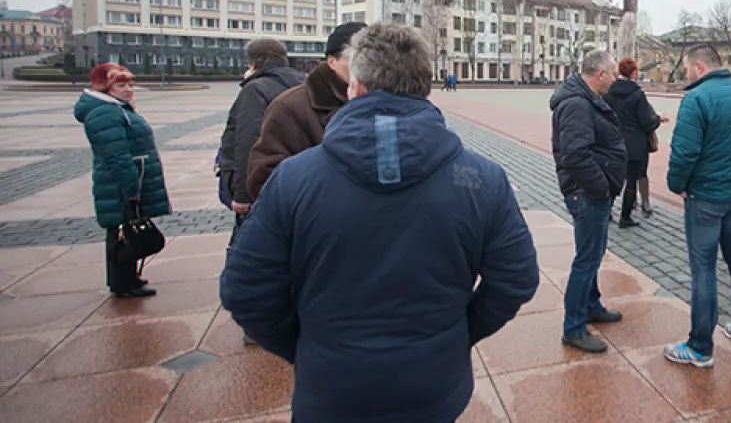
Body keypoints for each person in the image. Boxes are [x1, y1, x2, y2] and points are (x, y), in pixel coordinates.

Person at [221, 23, 539, 423]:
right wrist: (456, 334)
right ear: (425, 86)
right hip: (434, 388)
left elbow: (245, 290)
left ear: (355, 85)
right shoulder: (483, 179)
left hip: (331, 391)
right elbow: (517, 279)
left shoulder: (293, 179)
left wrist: (306, 345)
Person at [664, 44, 731, 368]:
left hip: (705, 198)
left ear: (701, 67)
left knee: (703, 269)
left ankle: (700, 346)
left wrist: (677, 185)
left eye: (690, 69)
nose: (687, 74)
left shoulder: (696, 99)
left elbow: (685, 152)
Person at [550, 50, 628, 353]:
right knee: (586, 259)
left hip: (590, 190)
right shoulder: (577, 104)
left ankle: (592, 305)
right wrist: (600, 187)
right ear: (599, 74)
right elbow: (575, 154)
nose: (615, 78)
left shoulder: (585, 100)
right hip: (586, 192)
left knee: (594, 253)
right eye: (612, 73)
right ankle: (573, 327)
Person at [74, 64, 170, 298]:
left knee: (125, 231)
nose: (128, 89)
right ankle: (123, 283)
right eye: (121, 85)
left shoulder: (115, 109)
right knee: (121, 234)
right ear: (105, 87)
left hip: (129, 178)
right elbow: (116, 155)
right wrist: (131, 188)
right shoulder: (105, 113)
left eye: (130, 84)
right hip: (120, 184)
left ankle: (127, 279)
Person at [245, 23, 367, 200]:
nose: (365, 68)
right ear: (332, 62)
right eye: (356, 60)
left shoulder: (387, 101)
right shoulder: (290, 107)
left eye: (372, 60)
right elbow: (264, 179)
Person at [219, 38, 304, 247]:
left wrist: (242, 194)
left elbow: (248, 142)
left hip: (260, 185)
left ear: (253, 62)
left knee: (247, 249)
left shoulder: (256, 89)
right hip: (292, 179)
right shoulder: (303, 83)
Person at [602, 57, 668, 228]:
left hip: (612, 141)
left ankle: (606, 212)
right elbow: (646, 121)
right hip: (634, 145)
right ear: (633, 73)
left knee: (612, 179)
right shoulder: (637, 94)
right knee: (631, 182)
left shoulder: (608, 92)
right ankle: (625, 217)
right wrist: (657, 119)